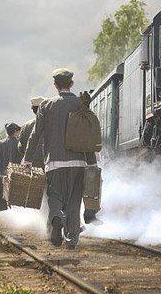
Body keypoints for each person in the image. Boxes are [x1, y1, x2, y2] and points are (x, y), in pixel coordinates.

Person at [22, 69, 97, 249]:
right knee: (74, 201)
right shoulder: (81, 104)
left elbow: (35, 134)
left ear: (55, 85)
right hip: (78, 161)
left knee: (54, 197)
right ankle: (71, 241)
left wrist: (27, 159)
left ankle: (56, 218)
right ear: (71, 84)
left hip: (54, 162)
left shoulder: (46, 105)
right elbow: (89, 133)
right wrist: (92, 161)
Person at [19, 96, 45, 168]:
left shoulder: (25, 126)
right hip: (48, 162)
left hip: (31, 164)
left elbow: (20, 148)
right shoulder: (51, 123)